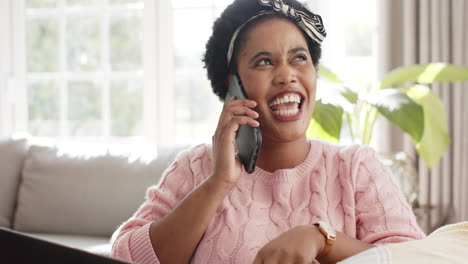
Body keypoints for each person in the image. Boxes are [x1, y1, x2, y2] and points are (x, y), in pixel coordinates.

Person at [111, 0, 425, 263]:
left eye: (299, 58)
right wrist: (218, 182)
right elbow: (126, 257)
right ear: (232, 85)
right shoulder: (195, 168)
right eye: (264, 62)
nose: (287, 75)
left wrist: (322, 239)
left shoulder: (356, 168)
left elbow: (418, 259)